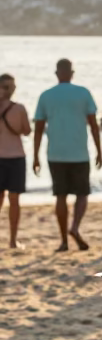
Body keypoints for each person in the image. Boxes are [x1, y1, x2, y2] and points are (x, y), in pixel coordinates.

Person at [33, 58, 102, 252]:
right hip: (79, 153)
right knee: (82, 194)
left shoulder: (46, 95)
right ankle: (75, 227)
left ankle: (63, 240)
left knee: (60, 196)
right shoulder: (83, 93)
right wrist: (99, 150)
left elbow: (38, 129)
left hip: (55, 154)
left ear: (56, 74)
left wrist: (35, 156)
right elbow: (94, 125)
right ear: (72, 73)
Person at [0, 74, 31, 249]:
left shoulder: (18, 108)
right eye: (6, 87)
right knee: (13, 200)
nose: (10, 90)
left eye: (12, 86)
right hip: (15, 157)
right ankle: (12, 240)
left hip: (13, 158)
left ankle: (13, 239)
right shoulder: (18, 108)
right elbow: (26, 130)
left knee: (13, 200)